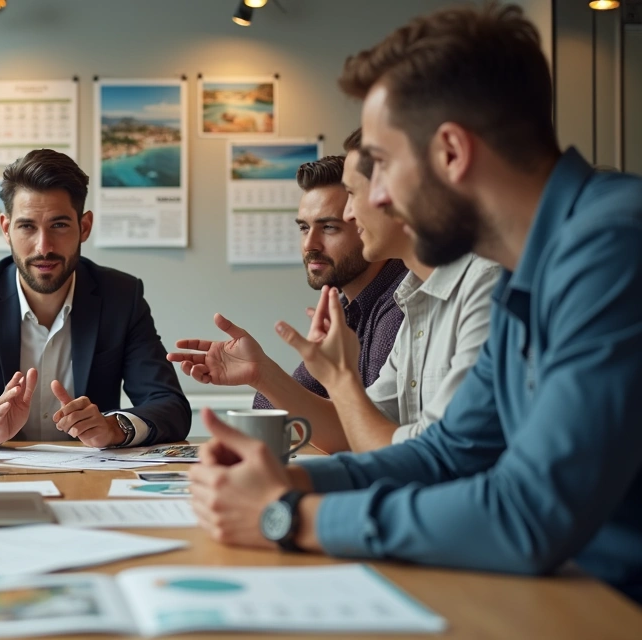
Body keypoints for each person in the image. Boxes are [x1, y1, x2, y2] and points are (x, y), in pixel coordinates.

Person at [189, 3, 642, 605]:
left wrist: (290, 516)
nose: (369, 200)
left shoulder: (613, 245)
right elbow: (452, 452)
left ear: (451, 152)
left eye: (379, 166)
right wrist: (288, 478)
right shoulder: (525, 266)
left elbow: (529, 514)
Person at [0, 149, 190, 448]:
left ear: (84, 227)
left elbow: (170, 405)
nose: (43, 246)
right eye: (27, 227)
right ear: (6, 229)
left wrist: (115, 428)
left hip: (89, 481)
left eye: (59, 225)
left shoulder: (121, 297)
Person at [168, 157, 408, 450]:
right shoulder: (343, 308)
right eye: (304, 228)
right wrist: (260, 371)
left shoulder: (400, 305)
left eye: (329, 227)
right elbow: (276, 420)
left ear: (364, 223)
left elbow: (362, 438)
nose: (310, 245)